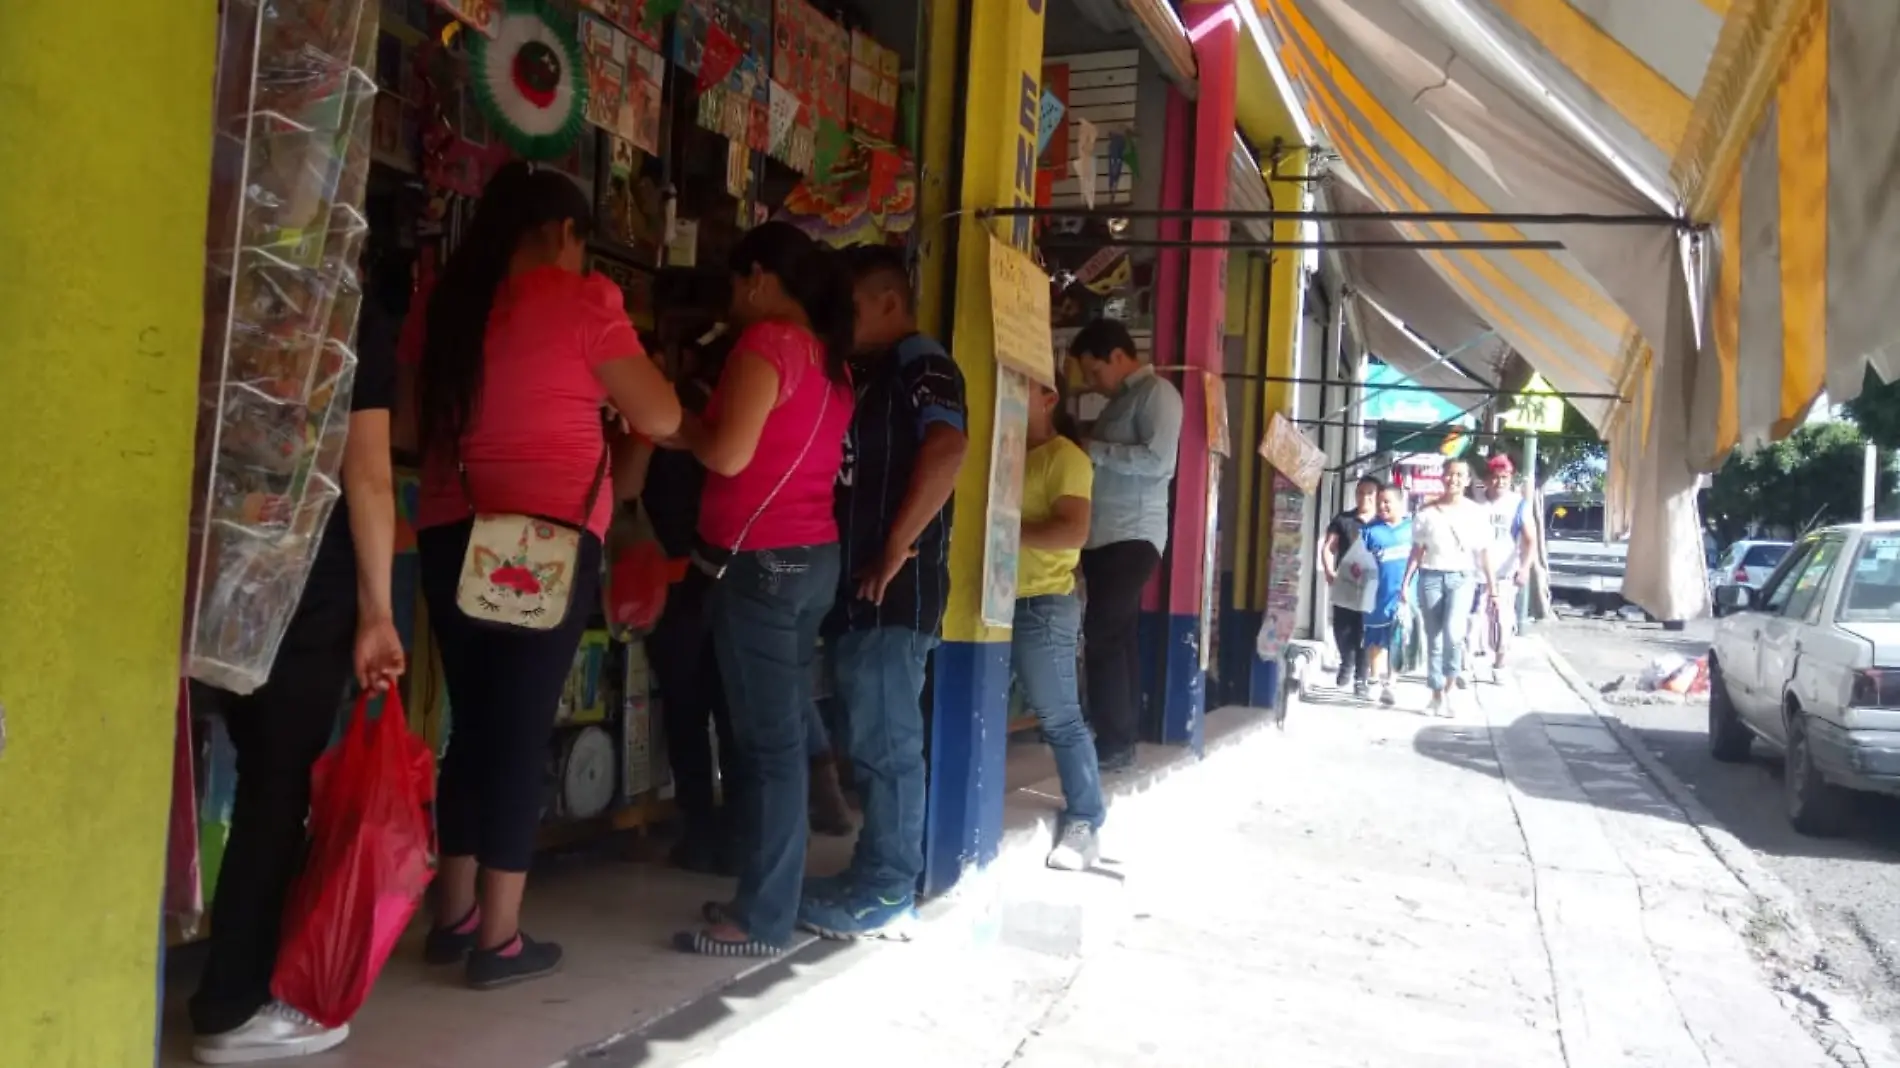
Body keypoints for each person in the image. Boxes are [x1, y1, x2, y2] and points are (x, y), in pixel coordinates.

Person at [409, 162, 682, 989]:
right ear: (566, 235)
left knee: (474, 726)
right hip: (539, 546)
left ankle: (452, 916)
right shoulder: (584, 302)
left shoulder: (444, 304)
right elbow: (663, 417)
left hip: (452, 532)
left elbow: (415, 422)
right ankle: (500, 939)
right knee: (519, 731)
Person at [187, 278, 408, 1065]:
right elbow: (371, 476)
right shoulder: (347, 308)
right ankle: (233, 1004)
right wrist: (378, 611)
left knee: (197, 771)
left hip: (208, 561)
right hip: (303, 582)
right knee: (275, 786)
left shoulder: (226, 279)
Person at [670, 221, 856, 957]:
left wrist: (667, 417)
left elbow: (726, 452)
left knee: (770, 749)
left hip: (762, 563)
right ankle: (764, 899)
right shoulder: (829, 360)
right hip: (811, 558)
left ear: (757, 278)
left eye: (734, 282)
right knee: (775, 737)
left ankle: (763, 918)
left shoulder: (767, 346)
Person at [794, 244, 967, 940]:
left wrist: (896, 546)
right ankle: (874, 871)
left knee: (887, 745)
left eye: (852, 304)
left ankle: (889, 887)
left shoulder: (920, 360)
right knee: (870, 735)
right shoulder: (872, 372)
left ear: (889, 301)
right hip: (865, 590)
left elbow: (947, 449)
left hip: (895, 591)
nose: (840, 319)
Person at [630, 269, 744, 875]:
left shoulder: (675, 419)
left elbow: (630, 487)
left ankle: (701, 831)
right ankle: (732, 833)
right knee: (726, 711)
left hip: (679, 581)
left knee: (687, 710)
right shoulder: (728, 423)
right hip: (722, 578)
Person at [1071, 319, 1183, 772]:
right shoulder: (1120, 403)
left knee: (1103, 636)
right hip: (1104, 537)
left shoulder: (1157, 394)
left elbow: (1159, 461)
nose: (1093, 381)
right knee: (1117, 639)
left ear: (1118, 356)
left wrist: (1092, 449)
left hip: (1132, 535)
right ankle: (1121, 736)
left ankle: (1114, 742)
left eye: (1095, 371)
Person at [1011, 380, 1107, 868]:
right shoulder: (1003, 452)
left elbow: (1074, 529)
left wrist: (1003, 527)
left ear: (1049, 397)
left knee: (1059, 718)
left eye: (1020, 384)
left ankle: (1086, 821)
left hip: (1041, 602)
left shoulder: (1065, 457)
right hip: (988, 601)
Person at [1399, 459, 1496, 716]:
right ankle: (1436, 694)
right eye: (1450, 474)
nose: (1454, 479)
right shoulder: (1427, 512)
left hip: (1462, 578)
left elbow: (1484, 553)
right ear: (1442, 477)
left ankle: (1450, 688)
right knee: (1434, 638)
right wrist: (1406, 581)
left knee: (1454, 634)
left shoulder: (1476, 513)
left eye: (1460, 475)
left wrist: (1493, 587)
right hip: (1430, 576)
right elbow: (1417, 550)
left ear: (1467, 481)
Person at [1469, 454, 1536, 676]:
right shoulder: (1475, 500)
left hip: (1504, 572)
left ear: (1511, 479)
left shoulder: (1518, 505)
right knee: (1472, 619)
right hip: (1474, 571)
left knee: (1502, 620)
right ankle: (1466, 663)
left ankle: (1499, 664)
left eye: (1505, 477)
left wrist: (1525, 567)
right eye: (1496, 477)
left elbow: (1530, 538)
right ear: (1488, 479)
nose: (1500, 482)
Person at [1321, 475, 1381, 695]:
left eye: (1369, 493)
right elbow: (1328, 547)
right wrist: (1329, 570)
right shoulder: (1343, 519)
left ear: (1377, 496)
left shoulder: (1382, 523)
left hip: (1372, 587)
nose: (1364, 497)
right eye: (1360, 492)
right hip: (1346, 583)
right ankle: (1346, 661)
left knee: (1365, 630)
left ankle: (1361, 677)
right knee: (1342, 628)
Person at [1360, 484, 1413, 709]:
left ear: (1400, 503)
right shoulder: (1370, 531)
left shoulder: (1413, 529)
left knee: (1398, 639)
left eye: (1387, 501)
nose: (1382, 506)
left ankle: (1391, 682)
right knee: (1375, 639)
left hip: (1403, 595)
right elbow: (1358, 563)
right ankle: (1374, 677)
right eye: (1379, 501)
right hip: (1375, 596)